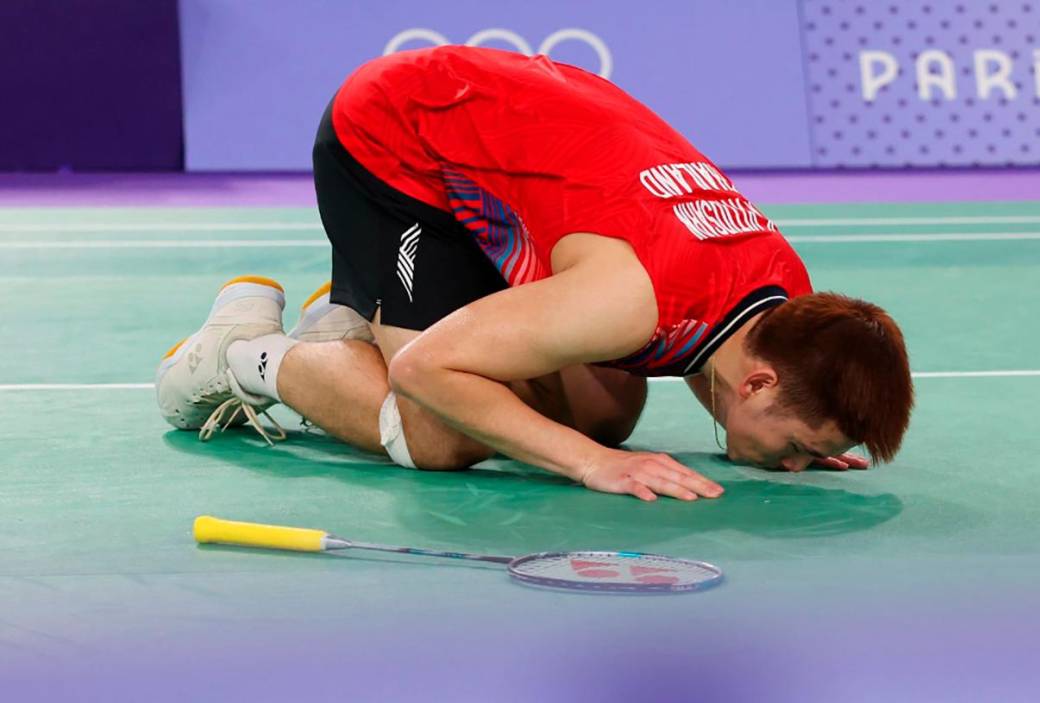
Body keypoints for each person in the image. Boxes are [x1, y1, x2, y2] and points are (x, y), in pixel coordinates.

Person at [156, 45, 913, 502]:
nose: (801, 462)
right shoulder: (629, 299)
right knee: (437, 437)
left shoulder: (781, 296)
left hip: (498, 135)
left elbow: (715, 335)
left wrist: (785, 435)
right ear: (759, 385)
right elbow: (426, 370)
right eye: (803, 446)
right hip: (397, 138)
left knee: (608, 402)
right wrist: (592, 465)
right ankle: (237, 349)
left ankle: (354, 322)